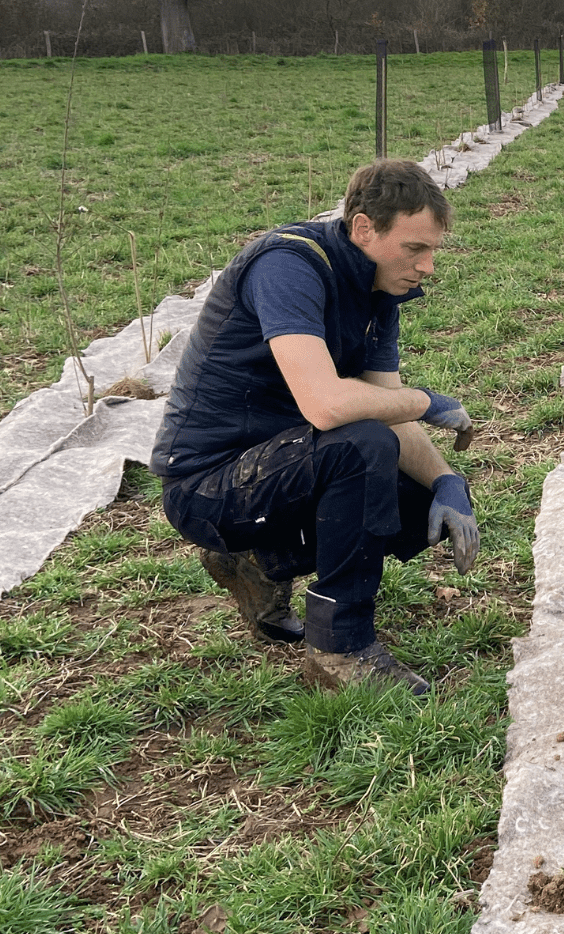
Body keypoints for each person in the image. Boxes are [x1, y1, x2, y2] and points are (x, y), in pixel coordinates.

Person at [150, 159, 479, 696]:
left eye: (434, 250)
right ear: (364, 228)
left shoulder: (378, 290)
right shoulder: (289, 266)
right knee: (362, 445)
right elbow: (327, 407)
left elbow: (384, 402)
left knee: (418, 498)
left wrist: (446, 480)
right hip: (207, 483)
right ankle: (340, 650)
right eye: (415, 248)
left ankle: (258, 559)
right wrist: (426, 401)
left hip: (277, 465)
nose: (429, 266)